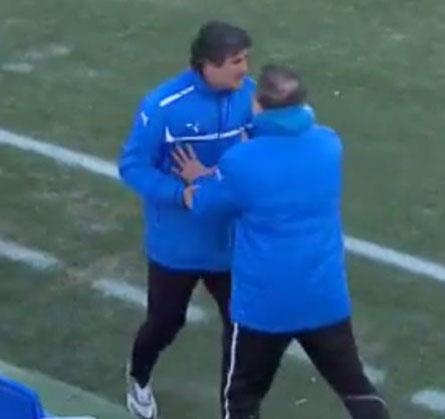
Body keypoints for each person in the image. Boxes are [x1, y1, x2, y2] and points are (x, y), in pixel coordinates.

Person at [175, 64, 390, 419]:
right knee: (357, 391)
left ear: (259, 105)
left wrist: (199, 178)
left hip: (264, 306)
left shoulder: (241, 161)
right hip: (323, 296)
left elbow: (204, 205)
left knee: (240, 401)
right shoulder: (329, 144)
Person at [117, 21, 254, 419]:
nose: (245, 69)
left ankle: (234, 410)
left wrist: (214, 177)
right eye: (236, 61)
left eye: (245, 59)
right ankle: (138, 376)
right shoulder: (163, 106)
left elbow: (263, 154)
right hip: (177, 246)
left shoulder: (250, 96)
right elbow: (133, 166)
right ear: (208, 64)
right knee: (165, 322)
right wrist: (182, 194)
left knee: (240, 329)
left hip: (230, 243)